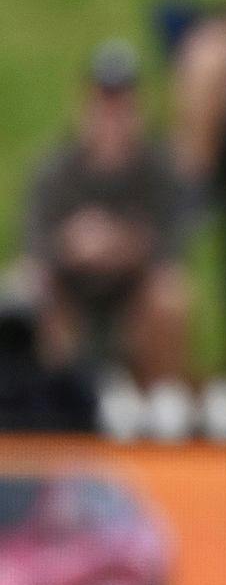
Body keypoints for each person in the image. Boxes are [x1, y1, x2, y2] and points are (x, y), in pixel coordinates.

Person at [21, 42, 193, 386]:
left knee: (170, 295)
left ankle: (159, 401)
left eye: (122, 103)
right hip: (72, 294)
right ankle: (52, 398)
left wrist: (120, 245)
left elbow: (172, 251)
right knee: (29, 288)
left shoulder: (160, 171)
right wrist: (70, 246)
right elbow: (34, 250)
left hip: (135, 298)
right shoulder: (55, 171)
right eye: (105, 102)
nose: (113, 115)